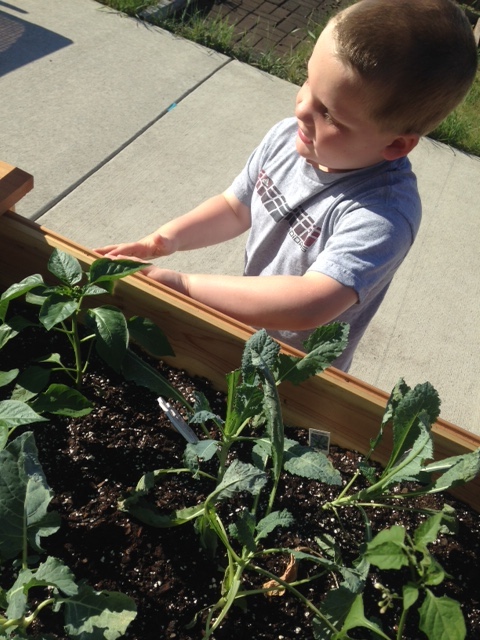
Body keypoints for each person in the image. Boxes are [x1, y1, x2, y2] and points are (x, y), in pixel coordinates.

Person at [96, 0, 477, 371]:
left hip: (294, 372)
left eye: (328, 113)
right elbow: (235, 207)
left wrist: (184, 284)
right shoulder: (287, 139)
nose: (301, 107)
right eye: (309, 80)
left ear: (395, 144)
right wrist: (165, 240)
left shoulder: (383, 214)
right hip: (242, 331)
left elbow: (310, 302)